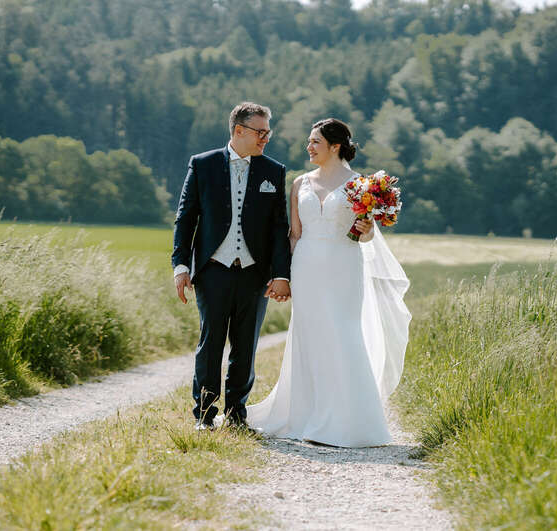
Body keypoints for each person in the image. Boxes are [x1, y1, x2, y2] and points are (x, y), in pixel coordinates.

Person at [247, 118, 411, 447]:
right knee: (309, 337)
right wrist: (283, 276)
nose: (308, 147)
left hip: (343, 267)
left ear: (335, 146)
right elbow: (294, 234)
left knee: (343, 334)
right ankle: (306, 416)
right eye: (309, 141)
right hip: (307, 267)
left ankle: (347, 422)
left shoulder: (360, 185)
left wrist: (367, 231)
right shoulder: (299, 183)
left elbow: (365, 237)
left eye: (315, 142)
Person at [172, 102, 292, 430]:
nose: (266, 138)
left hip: (255, 273)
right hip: (213, 270)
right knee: (211, 344)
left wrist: (281, 274)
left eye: (268, 131)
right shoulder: (203, 165)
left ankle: (237, 415)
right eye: (261, 131)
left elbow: (278, 228)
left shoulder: (273, 171)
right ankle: (205, 415)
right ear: (239, 131)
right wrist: (181, 266)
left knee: (246, 345)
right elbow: (185, 218)